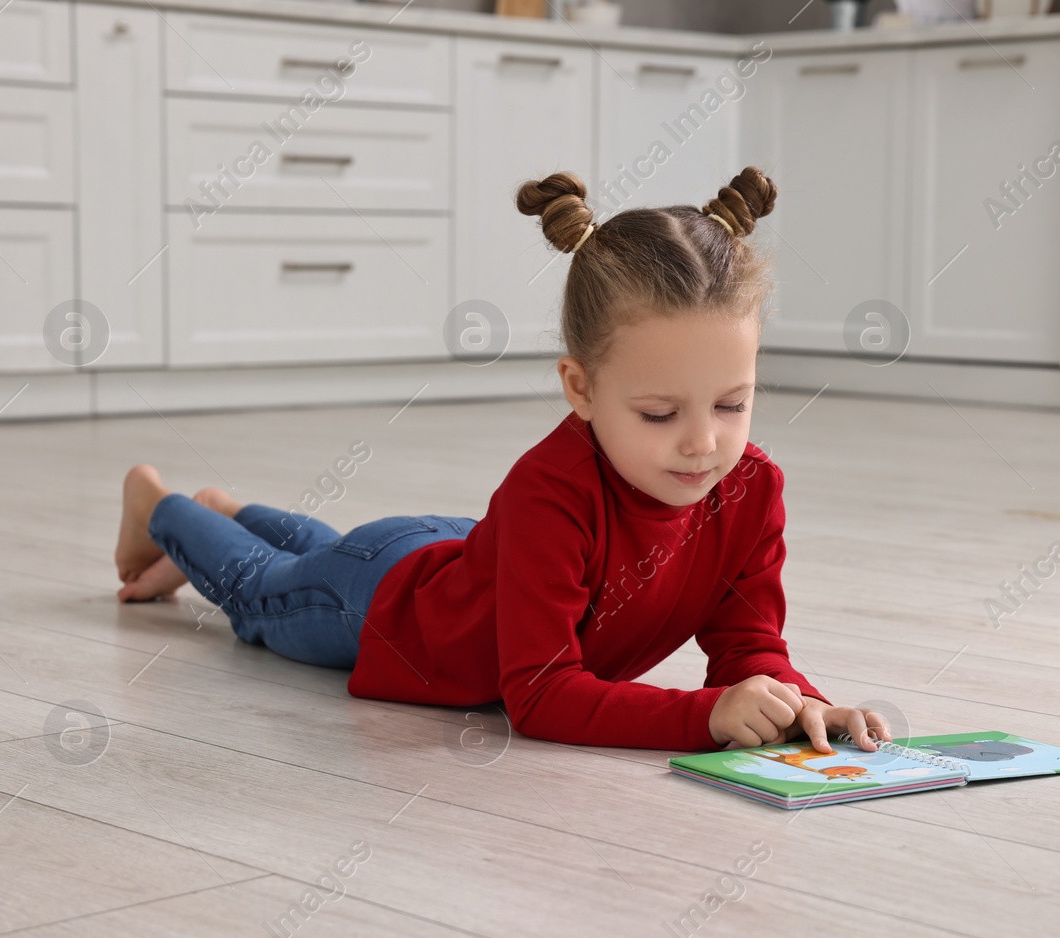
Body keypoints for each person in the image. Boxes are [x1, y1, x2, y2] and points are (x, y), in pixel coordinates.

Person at [113, 166, 891, 754]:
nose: (704, 443)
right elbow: (541, 695)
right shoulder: (548, 494)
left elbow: (748, 646)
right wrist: (703, 716)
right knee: (259, 596)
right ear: (580, 388)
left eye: (732, 403)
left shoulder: (751, 488)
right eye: (659, 413)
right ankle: (161, 508)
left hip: (466, 553)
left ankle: (229, 512)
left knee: (317, 555)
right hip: (391, 609)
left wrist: (803, 704)